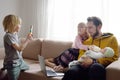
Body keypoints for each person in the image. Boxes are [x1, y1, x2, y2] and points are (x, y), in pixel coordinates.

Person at [2, 14, 33, 80]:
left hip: (19, 61)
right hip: (13, 63)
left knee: (27, 67)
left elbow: (19, 46)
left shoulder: (15, 34)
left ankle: (8, 71)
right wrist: (27, 39)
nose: (20, 26)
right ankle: (8, 68)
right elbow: (20, 49)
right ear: (13, 25)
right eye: (19, 24)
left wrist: (27, 39)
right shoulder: (8, 36)